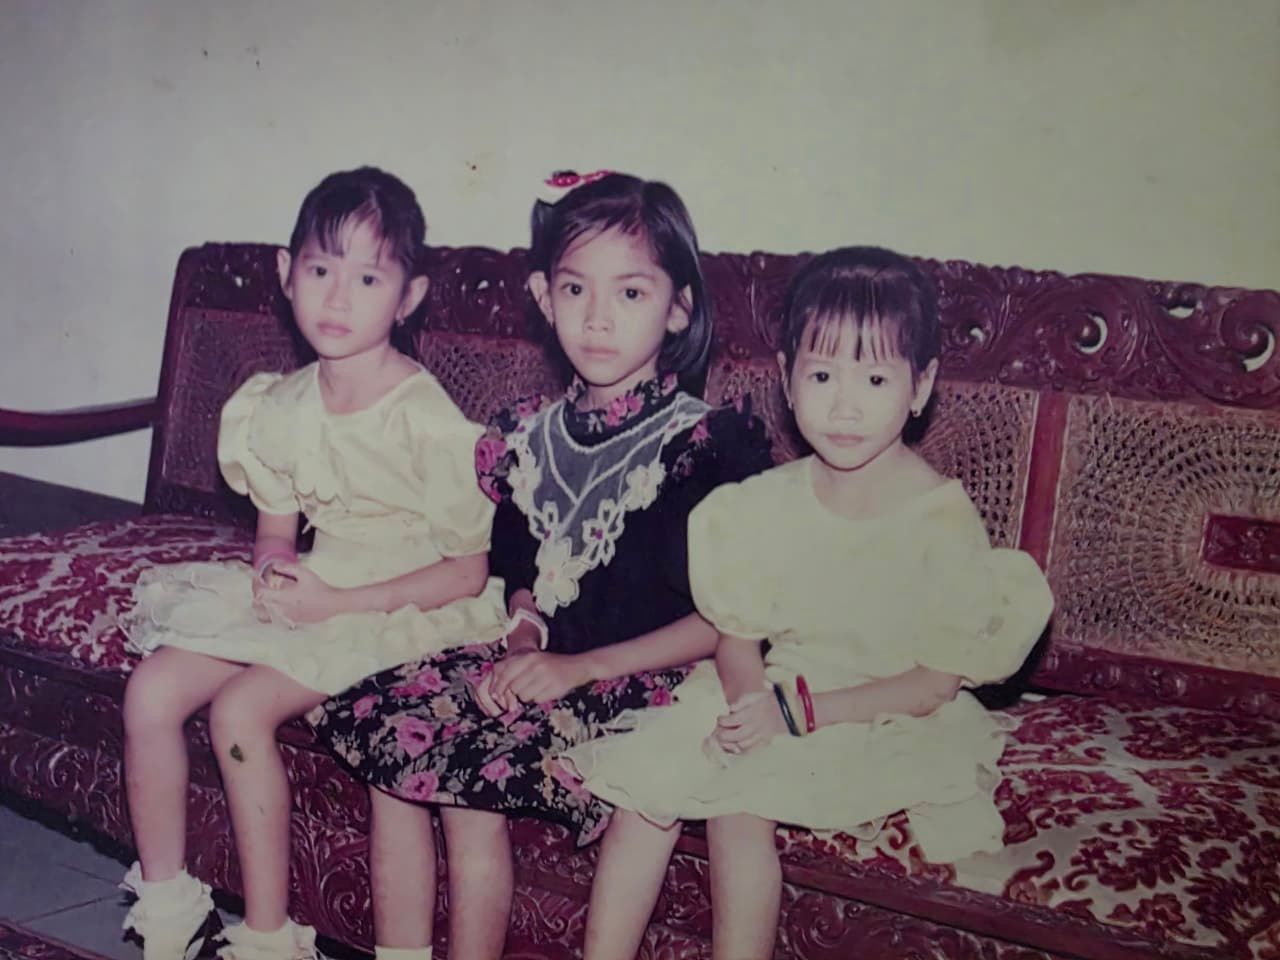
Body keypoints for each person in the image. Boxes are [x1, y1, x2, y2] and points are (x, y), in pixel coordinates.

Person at [310, 172, 774, 960]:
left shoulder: (704, 446)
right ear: (542, 296)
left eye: (631, 293)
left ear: (678, 307)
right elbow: (523, 569)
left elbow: (725, 623)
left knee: (463, 769)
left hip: (645, 682)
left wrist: (578, 667)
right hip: (548, 663)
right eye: (575, 288)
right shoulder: (528, 435)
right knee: (387, 728)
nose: (598, 318)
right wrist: (524, 633)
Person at [563, 246, 1055, 960]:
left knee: (739, 808)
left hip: (880, 709)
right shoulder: (762, 504)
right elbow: (736, 633)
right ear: (788, 379)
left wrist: (793, 715)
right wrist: (746, 703)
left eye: (875, 378)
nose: (844, 405)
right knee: (646, 796)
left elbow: (932, 684)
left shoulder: (939, 520)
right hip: (771, 691)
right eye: (822, 375)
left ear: (920, 386)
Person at [118, 167, 505, 960]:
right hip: (320, 590)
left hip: (405, 607)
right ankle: (169, 911)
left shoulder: (425, 419)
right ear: (285, 273)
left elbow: (466, 574)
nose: (337, 298)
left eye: (367, 279)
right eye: (321, 269)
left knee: (239, 711)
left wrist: (333, 603)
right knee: (152, 688)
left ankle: (267, 936)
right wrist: (273, 571)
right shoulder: (279, 404)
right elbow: (275, 532)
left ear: (408, 297)